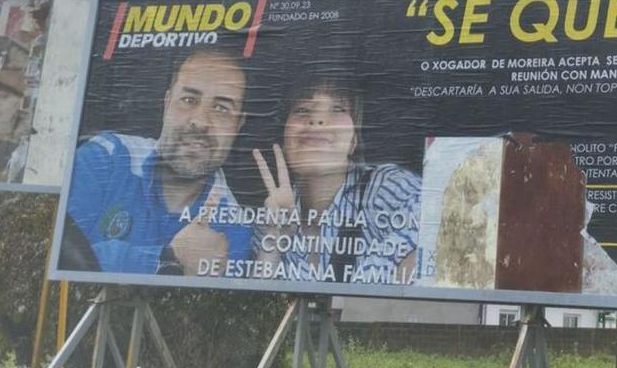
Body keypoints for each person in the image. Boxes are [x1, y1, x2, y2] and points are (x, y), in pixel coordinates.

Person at [60, 46, 251, 276]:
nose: (200, 121)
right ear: (167, 103)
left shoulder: (235, 228)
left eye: (221, 108)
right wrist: (168, 259)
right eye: (189, 100)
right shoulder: (104, 159)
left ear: (238, 126)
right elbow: (60, 258)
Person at [251, 72, 421, 285]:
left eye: (338, 109)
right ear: (284, 140)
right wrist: (274, 239)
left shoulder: (388, 188)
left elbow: (429, 250)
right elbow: (263, 306)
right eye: (302, 109)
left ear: (354, 141)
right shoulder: (269, 219)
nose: (317, 120)